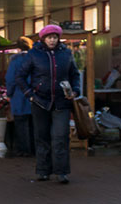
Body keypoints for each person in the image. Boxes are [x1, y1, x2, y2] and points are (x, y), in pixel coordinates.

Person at [13, 24, 81, 184]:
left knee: (60, 137)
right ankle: (43, 170)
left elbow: (75, 74)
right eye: (49, 37)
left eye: (55, 37)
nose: (52, 40)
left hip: (62, 101)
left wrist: (75, 91)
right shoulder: (33, 54)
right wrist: (30, 94)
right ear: (43, 38)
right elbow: (20, 76)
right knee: (41, 137)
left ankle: (62, 172)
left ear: (59, 38)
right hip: (39, 101)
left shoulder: (66, 54)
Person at [5, 36, 36, 157]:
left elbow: (10, 79)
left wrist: (9, 93)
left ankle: (23, 150)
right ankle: (34, 149)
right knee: (34, 124)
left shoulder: (15, 61)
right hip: (34, 95)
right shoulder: (36, 59)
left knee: (21, 124)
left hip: (19, 96)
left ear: (17, 47)